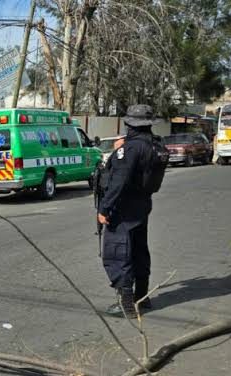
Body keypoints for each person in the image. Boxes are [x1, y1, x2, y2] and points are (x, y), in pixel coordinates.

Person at [97, 104, 160, 317]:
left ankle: (127, 305)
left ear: (130, 124)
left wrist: (104, 207)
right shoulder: (154, 144)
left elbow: (119, 181)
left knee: (118, 253)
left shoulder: (130, 148)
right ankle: (142, 298)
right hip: (142, 206)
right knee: (139, 251)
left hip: (123, 208)